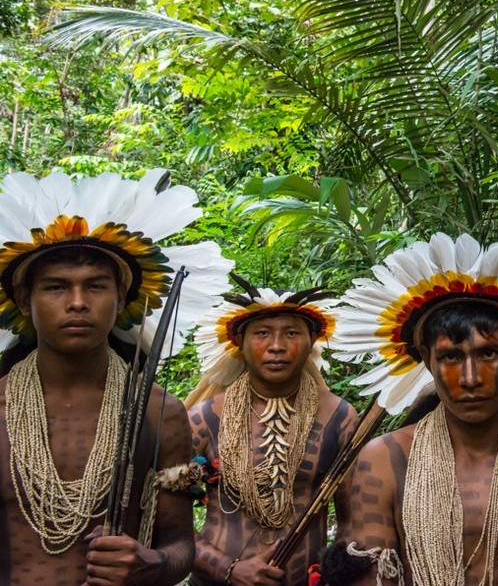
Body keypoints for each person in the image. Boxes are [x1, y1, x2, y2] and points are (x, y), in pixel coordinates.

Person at [321, 232, 498, 586]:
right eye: (451, 357)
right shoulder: (386, 458)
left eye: (488, 353)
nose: (471, 378)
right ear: (427, 359)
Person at [0, 169, 231, 584]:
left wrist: (150, 564)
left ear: (122, 297)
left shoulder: (159, 412)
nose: (77, 303)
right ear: (23, 298)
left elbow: (180, 544)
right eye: (55, 287)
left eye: (95, 286)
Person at [185, 280, 359, 586]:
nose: (277, 346)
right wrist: (228, 569)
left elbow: (354, 523)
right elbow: (167, 519)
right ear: (240, 341)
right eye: (262, 333)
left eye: (291, 333)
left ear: (312, 339)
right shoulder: (204, 419)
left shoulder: (340, 418)